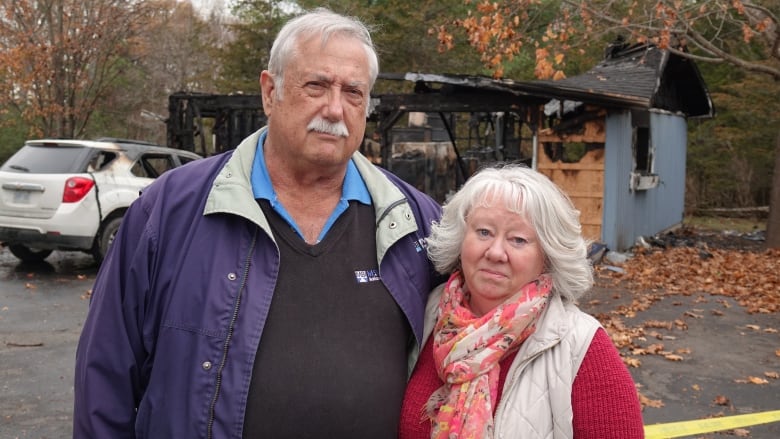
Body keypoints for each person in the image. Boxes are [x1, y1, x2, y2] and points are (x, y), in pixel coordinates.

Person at [73, 8, 443, 438]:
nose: (335, 108)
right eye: (317, 85)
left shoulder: (414, 222)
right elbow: (105, 374)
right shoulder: (172, 210)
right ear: (270, 92)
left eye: (354, 93)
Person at [399, 164, 645, 438]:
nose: (495, 252)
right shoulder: (426, 314)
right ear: (460, 239)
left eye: (517, 239)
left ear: (547, 257)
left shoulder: (581, 346)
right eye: (483, 232)